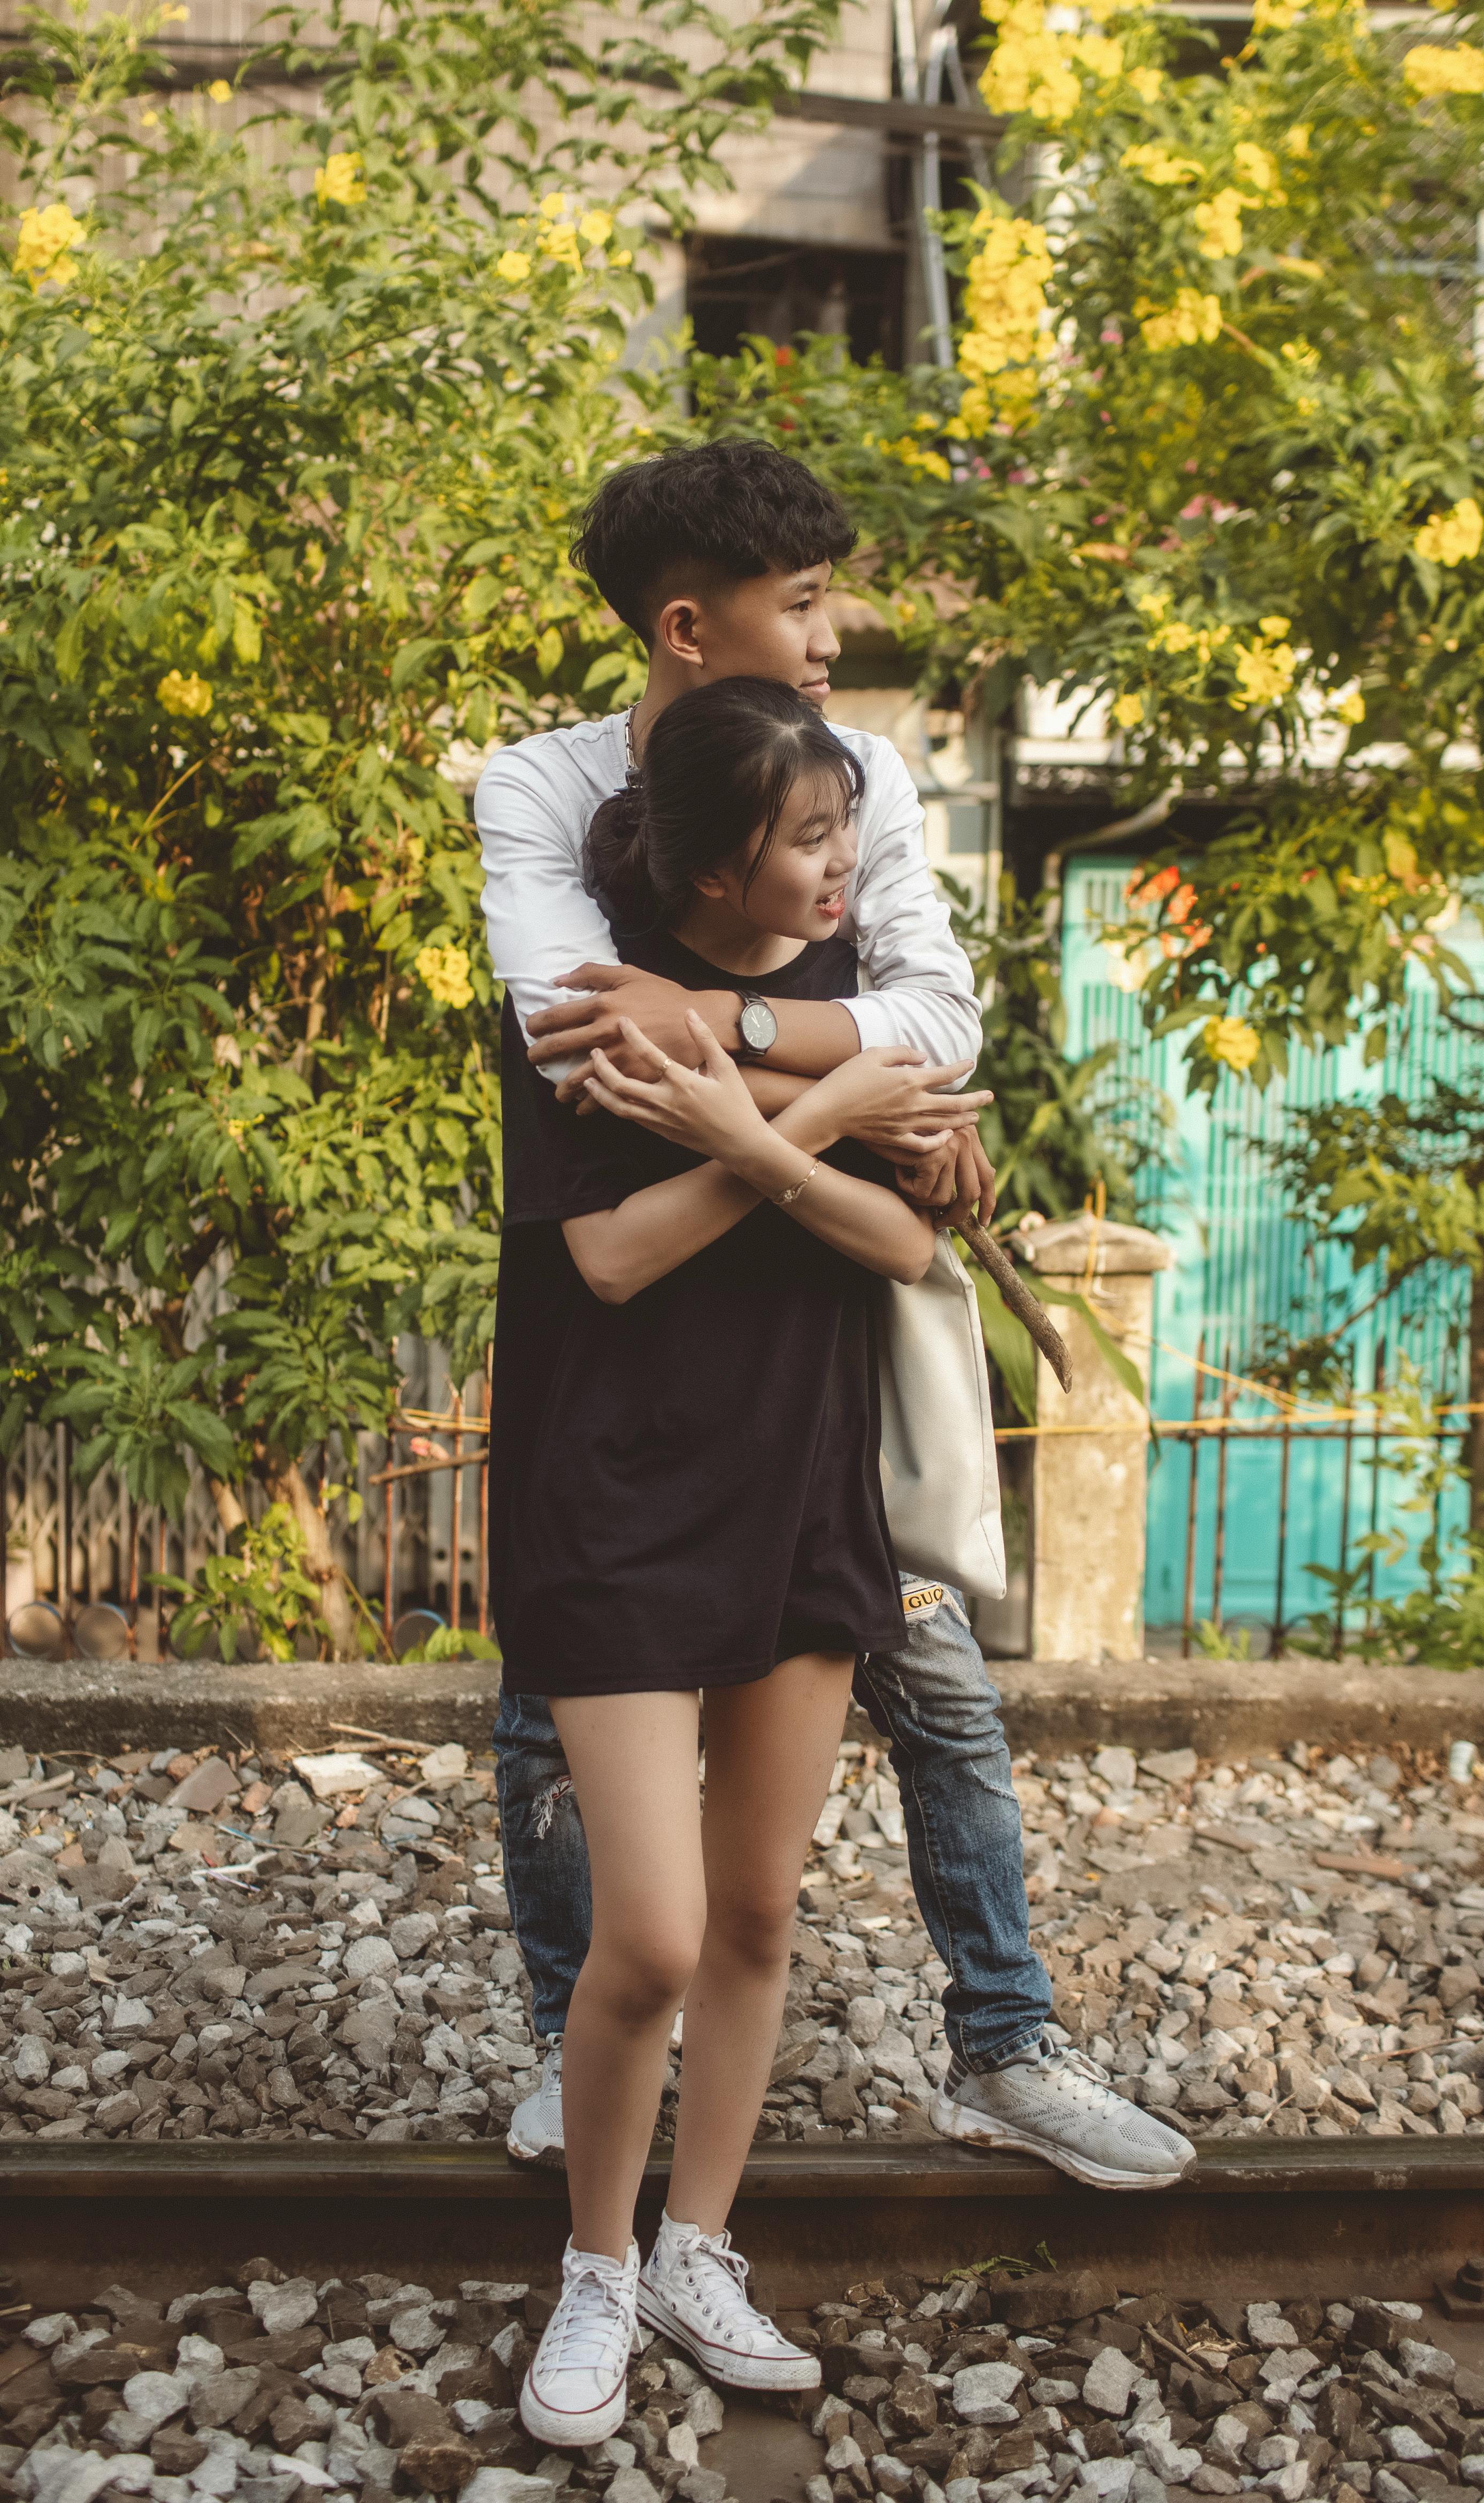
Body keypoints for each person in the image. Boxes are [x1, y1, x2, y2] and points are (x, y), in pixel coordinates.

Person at [476, 437, 1196, 2195]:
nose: (828, 634)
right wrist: (842, 1078)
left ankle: (1004, 2042)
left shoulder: (861, 765)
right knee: (555, 1698)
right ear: (683, 623)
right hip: (631, 1318)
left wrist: (730, 1048)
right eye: (798, 606)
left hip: (818, 1323)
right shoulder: (540, 789)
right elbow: (573, 1033)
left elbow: (945, 1029)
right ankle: (588, 2046)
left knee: (930, 1665)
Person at [499, 678, 955, 2443]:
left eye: (848, 828)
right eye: (817, 836)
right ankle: (597, 2268)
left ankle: (701, 2244)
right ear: (713, 871)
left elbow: (906, 1247)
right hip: (615, 1493)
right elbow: (609, 1260)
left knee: (758, 1911)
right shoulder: (586, 1015)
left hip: (799, 1487)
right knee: (656, 1934)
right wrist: (812, 1136)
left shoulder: (842, 1024)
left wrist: (778, 1131)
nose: (853, 865)